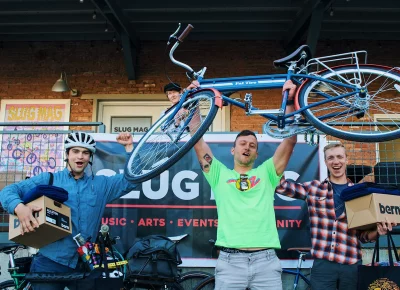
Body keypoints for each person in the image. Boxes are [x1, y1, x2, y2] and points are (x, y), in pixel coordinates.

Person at [190, 81, 298, 289]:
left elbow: (289, 141)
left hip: (266, 262)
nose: (247, 148)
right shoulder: (218, 173)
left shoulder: (267, 173)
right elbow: (197, 140)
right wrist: (195, 100)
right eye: (242, 144)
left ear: (257, 154)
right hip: (230, 263)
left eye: (252, 146)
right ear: (233, 150)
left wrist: (291, 101)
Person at [0, 132, 137, 290]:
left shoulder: (101, 185)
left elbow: (131, 180)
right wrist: (19, 207)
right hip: (50, 261)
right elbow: (8, 191)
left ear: (90, 157)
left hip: (85, 263)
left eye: (85, 153)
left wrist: (129, 148)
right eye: (75, 151)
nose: (80, 157)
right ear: (67, 154)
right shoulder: (49, 179)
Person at [275, 142, 397, 290]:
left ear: (346, 160)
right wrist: (287, 147)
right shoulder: (314, 189)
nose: (336, 161)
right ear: (326, 162)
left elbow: (364, 237)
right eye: (331, 158)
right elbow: (281, 187)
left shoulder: (360, 194)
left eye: (339, 157)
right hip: (323, 266)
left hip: (351, 266)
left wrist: (378, 232)